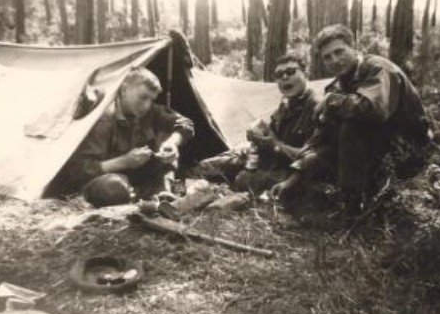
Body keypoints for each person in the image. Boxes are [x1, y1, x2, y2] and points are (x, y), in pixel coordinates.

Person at [272, 24, 430, 211]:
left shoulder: (377, 68)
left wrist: (332, 101)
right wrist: (291, 180)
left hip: (409, 153)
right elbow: (319, 139)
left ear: (353, 48)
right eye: (327, 57)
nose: (335, 60)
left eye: (339, 51)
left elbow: (372, 110)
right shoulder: (337, 87)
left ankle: (353, 210)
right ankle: (349, 201)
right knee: (327, 144)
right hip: (375, 152)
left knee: (352, 125)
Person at [65, 67, 194, 207]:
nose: (147, 105)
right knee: (112, 189)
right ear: (124, 90)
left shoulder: (150, 111)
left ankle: (166, 197)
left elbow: (185, 123)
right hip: (109, 179)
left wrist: (172, 143)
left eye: (151, 100)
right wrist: (124, 161)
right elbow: (79, 170)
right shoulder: (104, 120)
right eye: (143, 97)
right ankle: (147, 199)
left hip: (140, 177)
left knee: (171, 160)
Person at [197, 53, 319, 195]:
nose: (285, 77)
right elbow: (273, 138)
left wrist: (273, 145)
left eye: (291, 72)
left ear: (306, 74)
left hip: (293, 173)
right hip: (269, 161)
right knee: (205, 166)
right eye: (279, 75)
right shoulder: (285, 104)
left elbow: (311, 157)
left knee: (243, 180)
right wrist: (260, 136)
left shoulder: (316, 107)